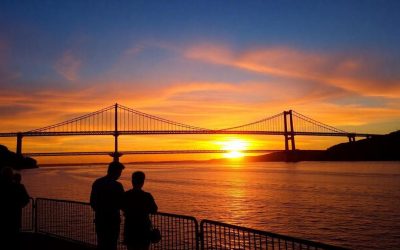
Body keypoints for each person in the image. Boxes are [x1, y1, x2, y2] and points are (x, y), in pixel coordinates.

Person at [90, 162, 125, 250]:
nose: (119, 175)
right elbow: (123, 203)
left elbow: (92, 202)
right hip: (113, 220)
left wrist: (100, 210)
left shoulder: (97, 182)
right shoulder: (117, 186)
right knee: (112, 244)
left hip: (100, 219)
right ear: (115, 172)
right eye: (119, 173)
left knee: (101, 243)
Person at [122, 171, 158, 250]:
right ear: (142, 182)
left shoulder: (126, 195)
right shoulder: (147, 196)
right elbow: (154, 210)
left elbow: (122, 207)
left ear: (132, 181)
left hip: (130, 228)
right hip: (143, 229)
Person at [0, 167, 30, 250]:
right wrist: (19, 205)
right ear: (11, 175)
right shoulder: (19, 186)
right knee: (15, 236)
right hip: (15, 215)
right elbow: (26, 199)